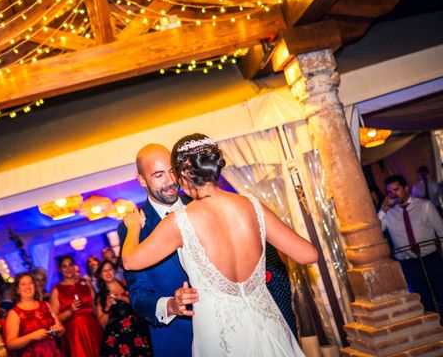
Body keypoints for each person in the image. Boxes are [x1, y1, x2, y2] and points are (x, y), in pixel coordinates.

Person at [122, 134, 318, 356]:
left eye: (173, 173)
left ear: (184, 174)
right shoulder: (252, 205)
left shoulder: (181, 220)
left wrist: (133, 228)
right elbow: (308, 254)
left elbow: (129, 261)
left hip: (221, 337)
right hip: (269, 327)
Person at [117, 143, 196, 357]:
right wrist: (171, 305)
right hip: (179, 338)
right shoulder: (133, 227)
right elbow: (138, 294)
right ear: (142, 180)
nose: (171, 181)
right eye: (159, 175)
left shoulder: (201, 204)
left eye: (172, 171)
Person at [378, 174, 443, 314]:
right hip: (409, 264)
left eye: (397, 189)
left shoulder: (424, 206)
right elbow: (376, 231)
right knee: (423, 299)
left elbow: (441, 231)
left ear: (406, 188)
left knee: (441, 292)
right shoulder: (388, 213)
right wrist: (383, 210)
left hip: (431, 258)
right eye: (390, 192)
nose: (393, 194)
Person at [94, 260, 151, 357]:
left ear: (115, 271)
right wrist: (107, 307)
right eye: (104, 271)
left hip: (136, 331)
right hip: (117, 337)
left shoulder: (127, 285)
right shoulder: (100, 297)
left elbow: (139, 306)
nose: (108, 273)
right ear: (100, 275)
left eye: (110, 269)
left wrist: (122, 297)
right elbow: (102, 324)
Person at [49, 255, 102, 357]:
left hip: (92, 330)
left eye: (70, 265)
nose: (68, 269)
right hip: (73, 334)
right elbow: (54, 320)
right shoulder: (56, 290)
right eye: (64, 266)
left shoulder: (85, 283)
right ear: (60, 269)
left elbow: (96, 308)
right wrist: (70, 310)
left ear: (74, 266)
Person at [4, 273, 63, 357]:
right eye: (23, 284)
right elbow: (10, 345)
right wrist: (31, 336)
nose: (28, 287)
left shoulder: (45, 305)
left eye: (30, 283)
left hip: (53, 352)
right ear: (17, 290)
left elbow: (61, 330)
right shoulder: (14, 313)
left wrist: (58, 330)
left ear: (34, 286)